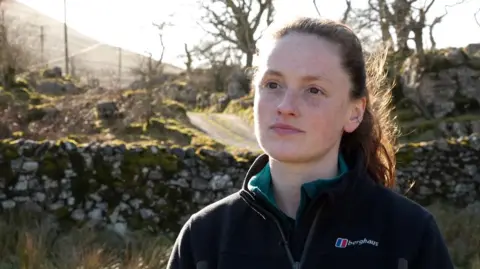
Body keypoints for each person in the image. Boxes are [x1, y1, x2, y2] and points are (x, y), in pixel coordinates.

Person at [166, 17, 454, 269]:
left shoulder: (410, 233)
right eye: (273, 84)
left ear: (354, 112)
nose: (286, 106)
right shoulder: (204, 237)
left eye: (314, 90)